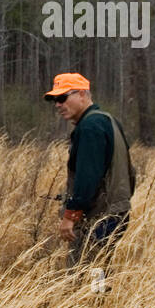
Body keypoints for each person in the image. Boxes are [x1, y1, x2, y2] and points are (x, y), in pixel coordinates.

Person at [43, 72, 135, 266]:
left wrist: (71, 215)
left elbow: (88, 177)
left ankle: (92, 297)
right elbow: (130, 172)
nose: (58, 104)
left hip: (98, 216)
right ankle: (100, 296)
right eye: (55, 100)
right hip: (117, 211)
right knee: (99, 268)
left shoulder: (90, 127)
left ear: (82, 95)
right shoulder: (108, 120)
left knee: (83, 274)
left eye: (62, 98)